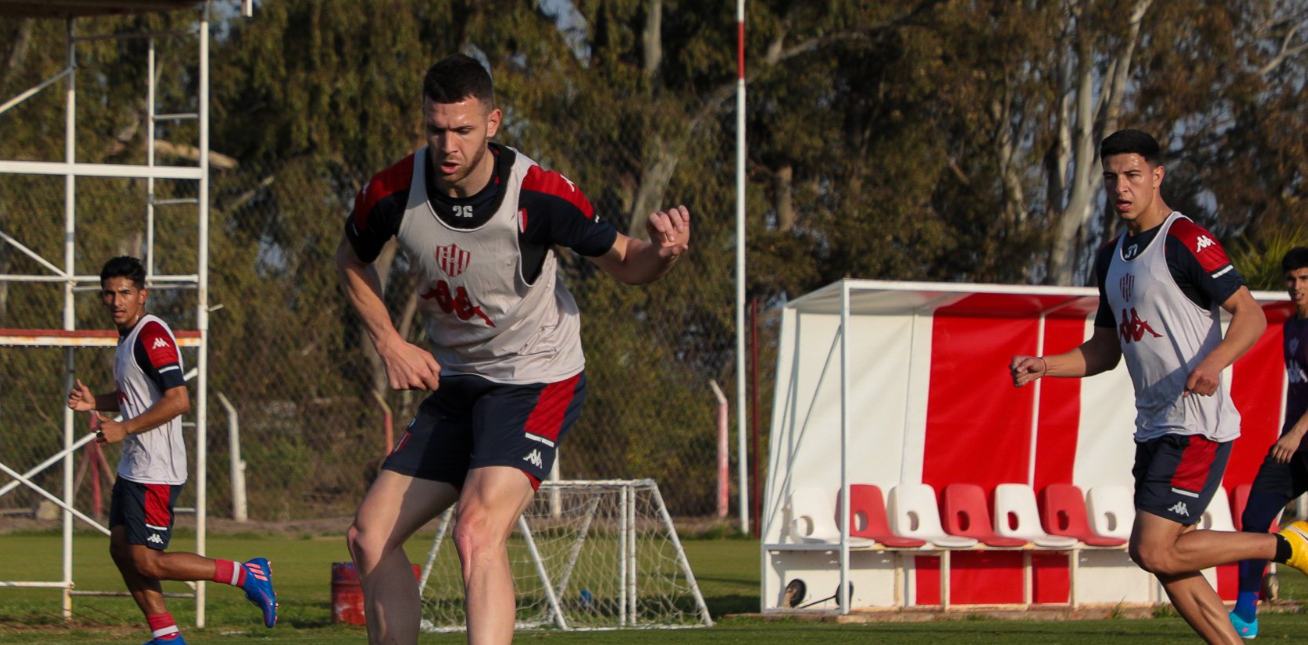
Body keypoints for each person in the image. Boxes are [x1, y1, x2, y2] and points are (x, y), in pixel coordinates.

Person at [337, 54, 690, 645]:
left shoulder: (541, 195)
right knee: (369, 536)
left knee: (475, 530)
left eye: (463, 129)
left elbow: (628, 262)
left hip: (535, 377)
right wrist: (389, 340)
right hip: (457, 380)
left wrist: (664, 255)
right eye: (435, 129)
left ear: (493, 122)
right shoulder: (393, 190)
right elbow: (352, 259)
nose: (447, 144)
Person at [1009, 130, 1308, 645]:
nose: (1120, 187)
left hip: (1195, 423)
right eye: (1110, 178)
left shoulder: (1187, 239)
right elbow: (1105, 350)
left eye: (1131, 175)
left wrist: (1215, 362)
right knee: (1168, 560)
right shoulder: (1109, 258)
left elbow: (1251, 315)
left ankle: (1288, 547)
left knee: (1151, 549)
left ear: (1156, 176)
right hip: (1153, 427)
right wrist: (1045, 364)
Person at [67, 256, 277, 645]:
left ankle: (247, 574)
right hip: (135, 465)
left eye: (125, 293)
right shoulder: (127, 338)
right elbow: (136, 397)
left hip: (156, 470)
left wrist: (123, 428)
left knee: (147, 560)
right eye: (110, 293)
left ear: (142, 295)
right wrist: (96, 400)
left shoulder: (151, 335)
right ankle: (166, 636)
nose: (117, 300)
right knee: (120, 548)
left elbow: (178, 400)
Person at [1228, 246, 1308, 639]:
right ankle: (1245, 610)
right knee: (1255, 519)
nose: (1297, 287)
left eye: (1305, 279)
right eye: (1291, 279)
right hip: (1292, 450)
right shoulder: (1292, 327)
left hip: (1297, 439)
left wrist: (1295, 432)